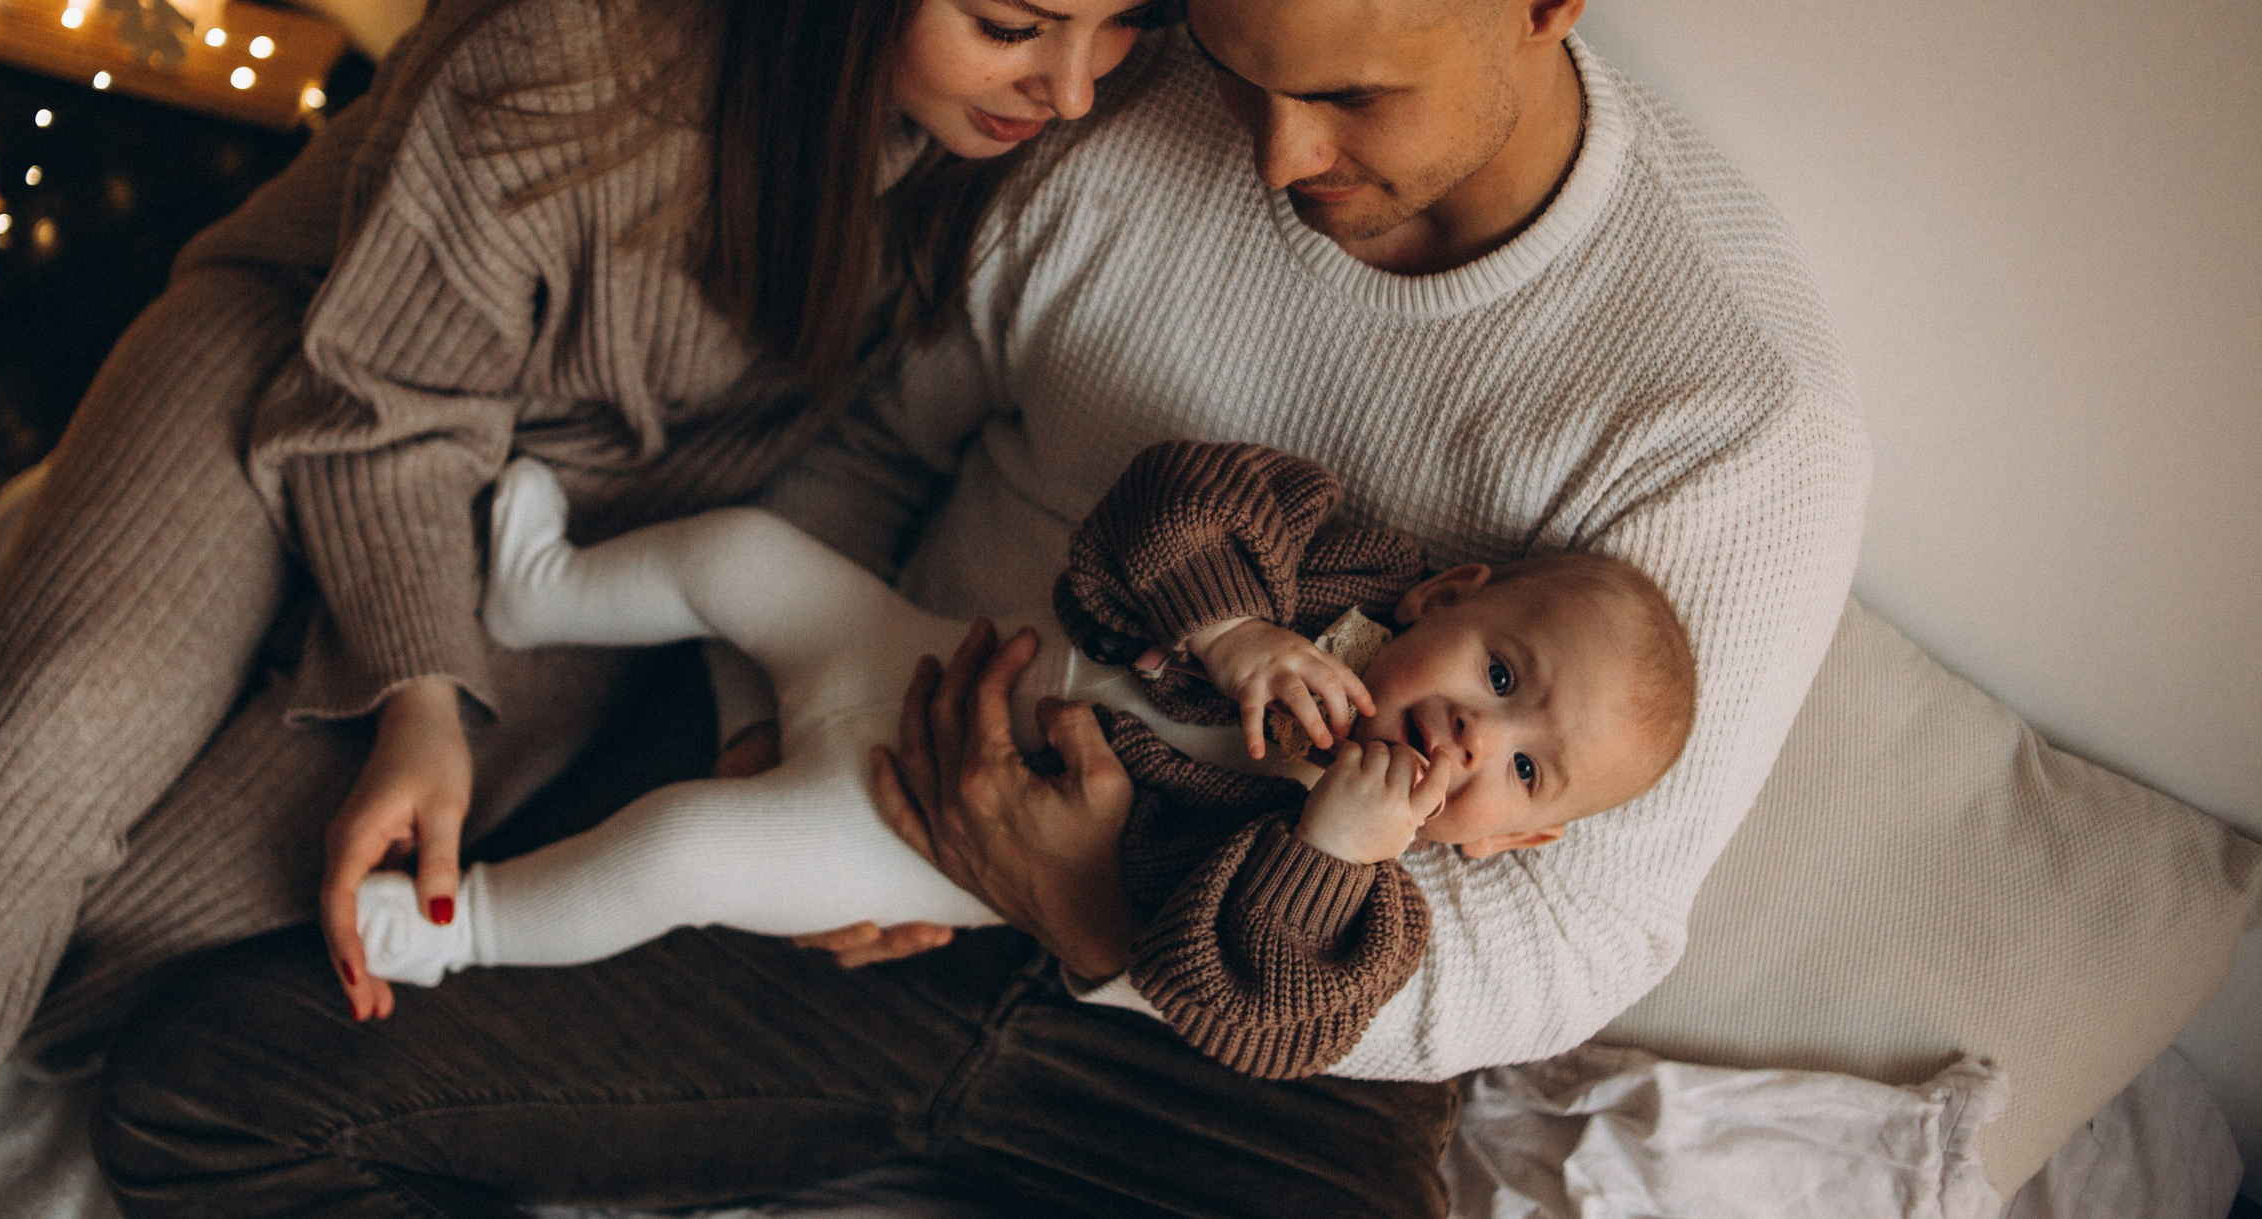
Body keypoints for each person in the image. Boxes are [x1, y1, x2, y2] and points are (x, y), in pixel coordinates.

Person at [93, 0, 1866, 1216]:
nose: (1266, 159)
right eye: (1238, 68)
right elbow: (854, 453)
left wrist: (1105, 921)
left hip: (1238, 1035)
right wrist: (754, 734)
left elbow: (1572, 938)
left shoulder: (1732, 421)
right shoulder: (1122, 109)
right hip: (875, 792)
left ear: (1545, 1)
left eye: (1346, 97)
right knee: (210, 1091)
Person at [0, 0, 1202, 1219]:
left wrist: (763, 722)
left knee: (172, 922)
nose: (1075, 93)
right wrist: (419, 688)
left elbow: (837, 481)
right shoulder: (581, 43)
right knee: (53, 729)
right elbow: (384, 400)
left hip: (572, 541)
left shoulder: (1018, 164)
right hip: (328, 365)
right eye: (1014, 24)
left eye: (1120, 29)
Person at [356, 439, 1696, 1090]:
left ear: (1508, 846)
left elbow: (1235, 1015)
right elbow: (1167, 498)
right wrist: (1235, 631)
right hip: (904, 653)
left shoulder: (1363, 918)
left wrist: (1323, 848)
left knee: (680, 850)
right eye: (1502, 676)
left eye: (1525, 773)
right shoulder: (1328, 572)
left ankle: (451, 927)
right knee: (735, 555)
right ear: (1452, 592)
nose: (1476, 738)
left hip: (895, 833)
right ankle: (550, 589)